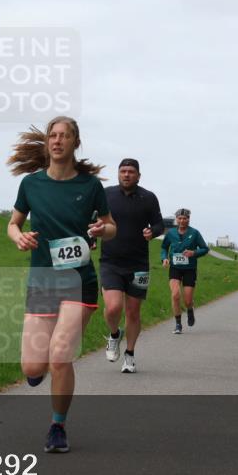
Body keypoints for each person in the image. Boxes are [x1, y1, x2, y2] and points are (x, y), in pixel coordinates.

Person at [7, 116, 115, 453]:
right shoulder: (31, 184)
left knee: (59, 356)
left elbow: (110, 226)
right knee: (33, 366)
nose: (57, 141)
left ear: (75, 142)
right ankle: (37, 373)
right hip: (42, 281)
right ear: (46, 143)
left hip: (78, 281)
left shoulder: (90, 186)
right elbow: (13, 223)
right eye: (52, 136)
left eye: (64, 136)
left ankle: (57, 425)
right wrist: (19, 237)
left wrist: (101, 231)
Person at [99, 159, 163, 373]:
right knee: (113, 307)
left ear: (138, 175)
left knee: (133, 312)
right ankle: (114, 334)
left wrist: (152, 232)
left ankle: (130, 355)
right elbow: (93, 219)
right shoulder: (107, 195)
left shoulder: (148, 198)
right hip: (110, 261)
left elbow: (159, 224)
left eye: (131, 172)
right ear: (118, 174)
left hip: (138, 264)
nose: (126, 175)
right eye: (123, 171)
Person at [161, 209, 209, 334]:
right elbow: (164, 247)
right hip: (175, 268)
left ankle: (189, 309)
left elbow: (205, 249)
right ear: (176, 219)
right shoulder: (170, 233)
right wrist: (164, 258)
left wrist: (193, 253)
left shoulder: (195, 233)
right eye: (180, 218)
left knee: (187, 300)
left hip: (190, 269)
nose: (182, 221)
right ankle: (178, 324)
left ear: (188, 219)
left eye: (185, 218)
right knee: (175, 295)